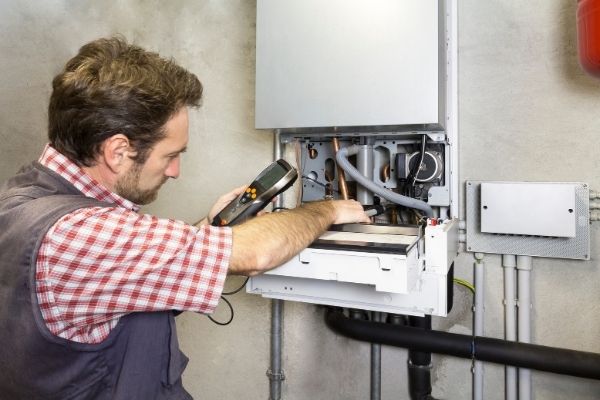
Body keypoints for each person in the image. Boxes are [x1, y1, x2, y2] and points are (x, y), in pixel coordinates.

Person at [0, 37, 369, 400]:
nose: (175, 170)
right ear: (117, 151)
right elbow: (258, 253)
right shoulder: (80, 234)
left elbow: (116, 275)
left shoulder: (23, 199)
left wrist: (206, 232)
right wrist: (327, 208)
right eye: (170, 155)